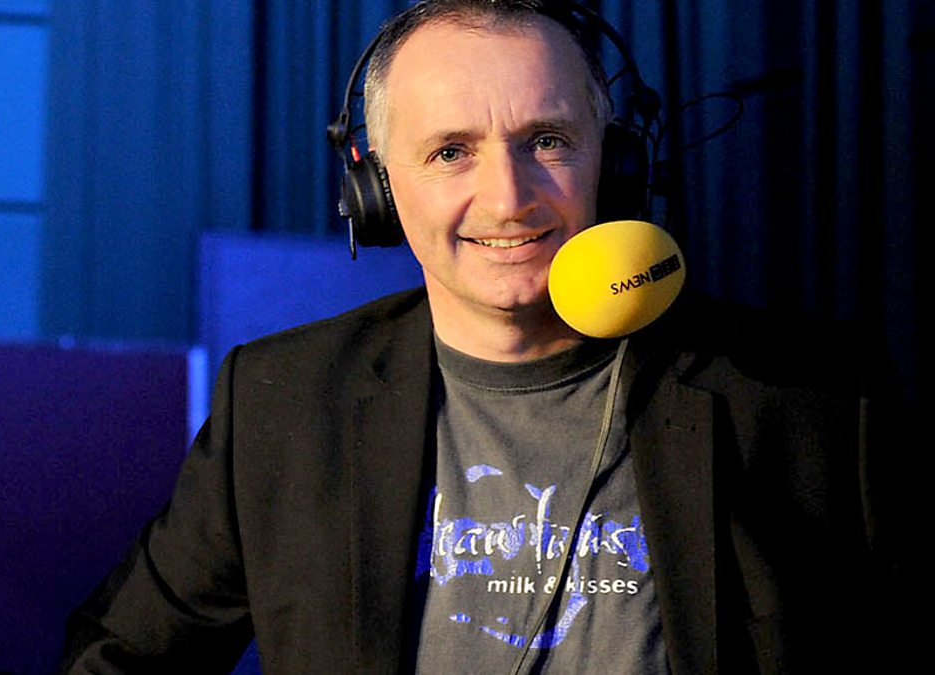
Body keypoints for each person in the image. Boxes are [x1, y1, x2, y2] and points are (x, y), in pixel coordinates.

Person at [61, 1, 900, 672]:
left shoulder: (812, 398)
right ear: (375, 190)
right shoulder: (284, 404)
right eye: (451, 152)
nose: (508, 198)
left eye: (547, 141)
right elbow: (119, 656)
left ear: (616, 163)